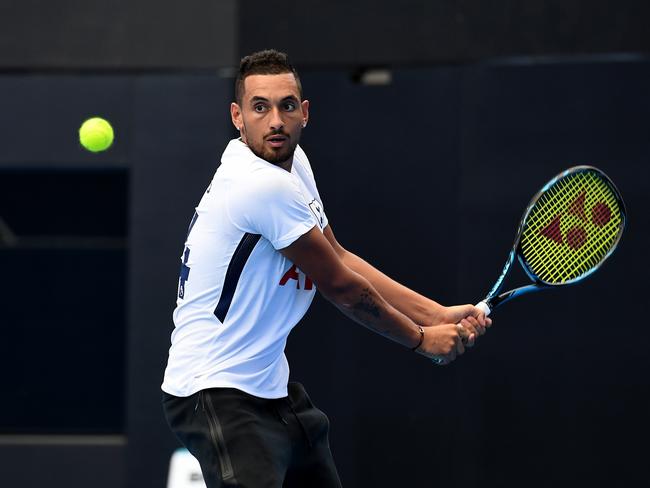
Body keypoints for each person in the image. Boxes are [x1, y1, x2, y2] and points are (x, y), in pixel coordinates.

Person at [161, 49, 491, 488]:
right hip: (215, 392)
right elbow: (341, 287)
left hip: (267, 385)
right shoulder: (258, 185)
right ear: (238, 116)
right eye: (260, 107)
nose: (275, 120)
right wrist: (421, 340)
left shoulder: (293, 164)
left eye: (287, 105)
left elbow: (338, 256)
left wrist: (436, 314)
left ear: (305, 112)